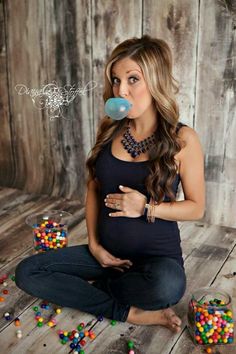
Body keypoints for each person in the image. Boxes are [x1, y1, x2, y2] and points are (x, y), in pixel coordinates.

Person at [15, 35, 205, 333]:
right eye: (116, 80)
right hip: (105, 255)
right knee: (28, 271)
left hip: (156, 261)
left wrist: (146, 207)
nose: (121, 90)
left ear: (155, 81)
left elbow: (196, 208)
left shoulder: (183, 139)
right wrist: (94, 245)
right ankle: (126, 309)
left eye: (133, 79)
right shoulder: (110, 131)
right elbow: (93, 188)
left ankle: (94, 291)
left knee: (167, 288)